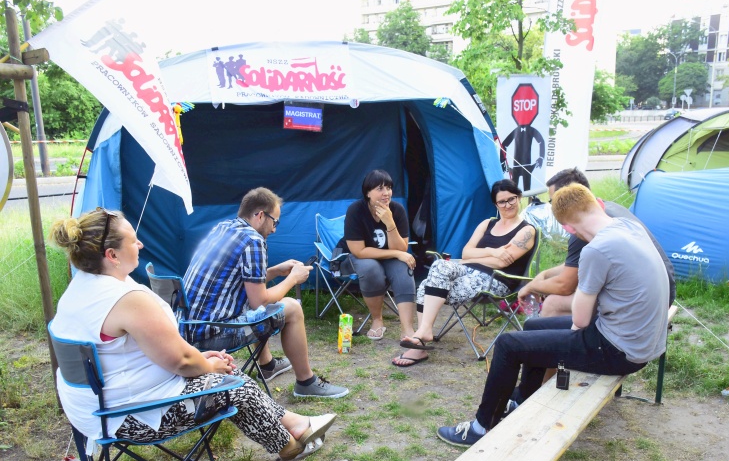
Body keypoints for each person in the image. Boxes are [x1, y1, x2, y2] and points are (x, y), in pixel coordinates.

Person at [49, 208, 336, 461]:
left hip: (88, 411)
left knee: (218, 376)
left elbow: (142, 354)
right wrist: (207, 364)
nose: (140, 243)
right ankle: (289, 444)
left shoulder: (78, 290)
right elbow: (182, 363)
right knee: (234, 384)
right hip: (129, 416)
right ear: (111, 255)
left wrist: (198, 358)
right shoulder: (127, 299)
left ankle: (296, 423)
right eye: (132, 240)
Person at [437, 184, 669, 446]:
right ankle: (523, 399)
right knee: (535, 326)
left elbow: (580, 321)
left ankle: (481, 427)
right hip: (644, 341)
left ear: (568, 227)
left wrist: (568, 342)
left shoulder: (597, 249)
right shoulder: (629, 227)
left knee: (508, 345)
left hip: (620, 350)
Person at [181, 188, 348, 399]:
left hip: (187, 330)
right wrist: (292, 279)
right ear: (260, 215)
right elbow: (259, 300)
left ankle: (268, 365)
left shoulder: (223, 228)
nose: (275, 230)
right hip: (213, 336)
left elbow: (240, 282)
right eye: (275, 222)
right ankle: (306, 382)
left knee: (253, 305)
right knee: (292, 308)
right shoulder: (253, 240)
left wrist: (277, 271)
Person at [395, 180, 537, 367]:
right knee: (439, 266)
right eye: (502, 201)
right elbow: (465, 253)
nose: (508, 205)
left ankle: (419, 343)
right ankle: (425, 331)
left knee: (425, 287)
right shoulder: (487, 224)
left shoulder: (526, 230)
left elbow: (502, 263)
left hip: (497, 280)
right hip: (468, 272)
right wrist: (493, 251)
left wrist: (476, 258)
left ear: (519, 198)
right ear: (495, 204)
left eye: (511, 199)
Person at [518, 168, 675, 317]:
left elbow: (564, 285)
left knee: (553, 303)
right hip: (663, 291)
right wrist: (544, 275)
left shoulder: (585, 229)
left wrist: (531, 286)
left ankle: (564, 343)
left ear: (566, 197)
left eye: (553, 201)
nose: (552, 207)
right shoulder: (606, 209)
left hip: (642, 305)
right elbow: (574, 267)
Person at [338, 169, 416, 343]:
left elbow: (401, 247)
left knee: (404, 267)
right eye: (380, 188)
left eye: (388, 188)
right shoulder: (356, 210)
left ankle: (407, 329)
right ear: (367, 192)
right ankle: (377, 320)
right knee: (371, 267)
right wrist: (396, 253)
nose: (386, 193)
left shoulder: (397, 210)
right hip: (355, 258)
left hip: (387, 258)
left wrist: (390, 223)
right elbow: (359, 251)